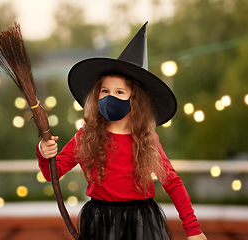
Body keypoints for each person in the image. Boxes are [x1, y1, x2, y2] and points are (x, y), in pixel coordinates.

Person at [36, 22, 207, 240]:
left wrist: (193, 229)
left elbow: (172, 183)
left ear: (135, 100)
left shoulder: (147, 139)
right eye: (105, 91)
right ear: (96, 96)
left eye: (119, 92)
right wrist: (44, 152)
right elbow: (52, 173)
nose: (110, 97)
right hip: (99, 223)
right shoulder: (87, 136)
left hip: (141, 223)